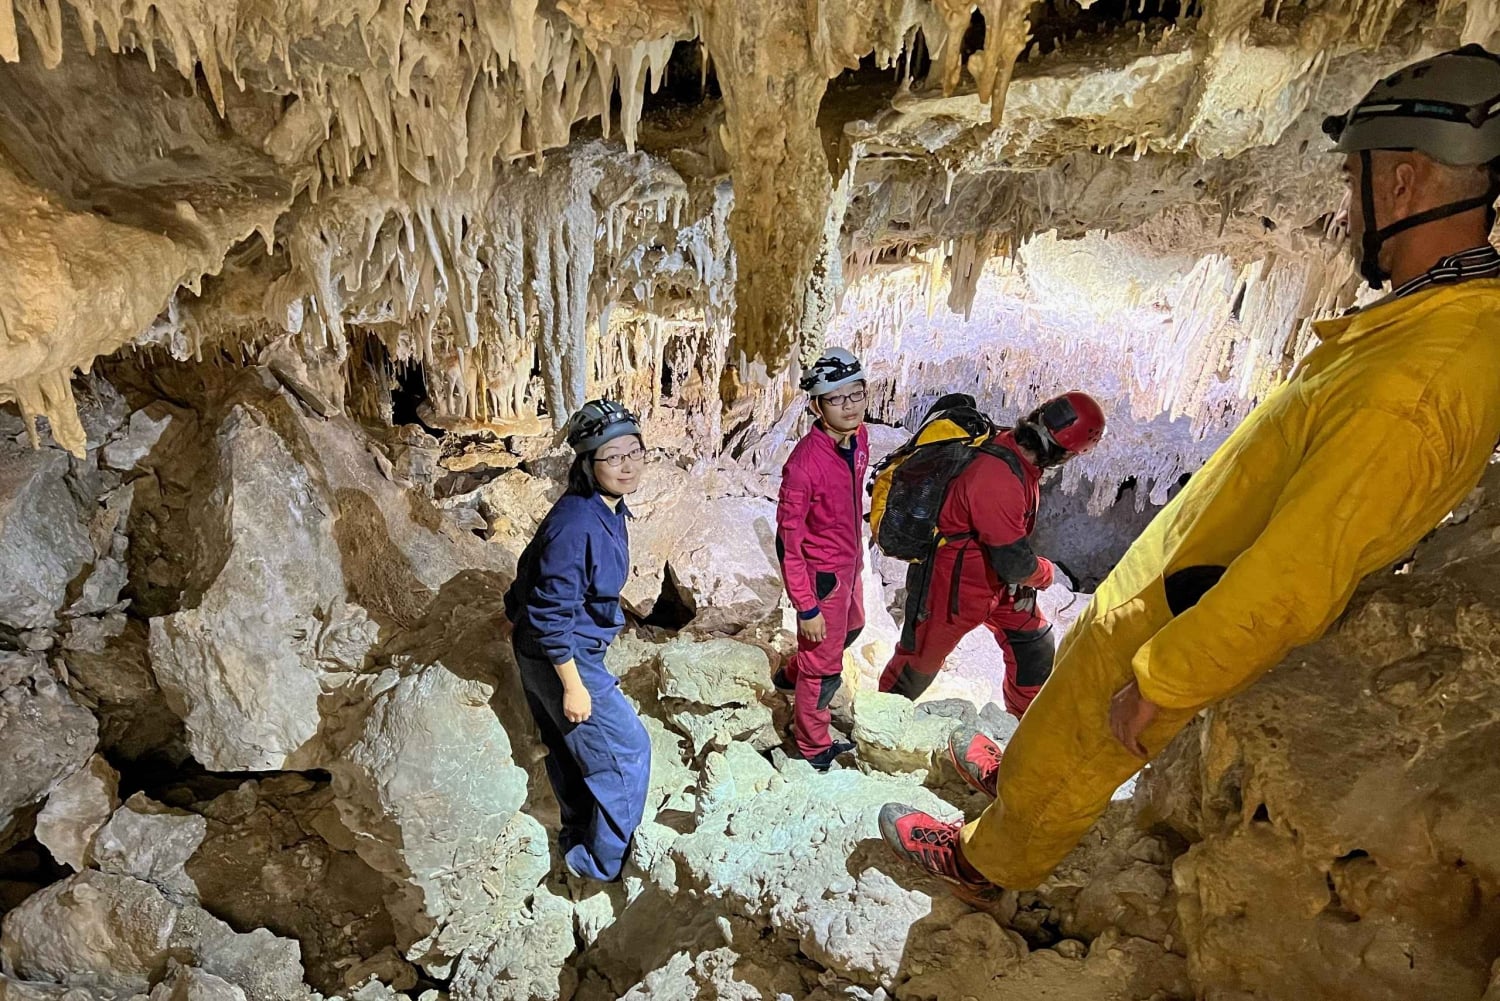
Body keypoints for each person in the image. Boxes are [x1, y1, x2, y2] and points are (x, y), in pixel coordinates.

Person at [878, 45, 1500, 898]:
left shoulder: (1421, 379)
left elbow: (1296, 574)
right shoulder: (1424, 328)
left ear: (1402, 184)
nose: (1345, 208)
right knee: (1063, 700)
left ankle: (991, 861)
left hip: (1190, 608)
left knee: (1090, 736)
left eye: (1352, 179)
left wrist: (1166, 680)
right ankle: (1014, 780)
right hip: (1174, 579)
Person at [879, 392, 1106, 718]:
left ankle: (1022, 727)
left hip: (994, 582)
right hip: (952, 586)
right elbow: (1014, 563)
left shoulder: (1017, 455)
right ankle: (878, 722)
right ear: (1064, 452)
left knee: (1034, 644)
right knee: (920, 661)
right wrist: (1044, 572)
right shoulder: (997, 478)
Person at [504, 399, 653, 881]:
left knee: (572, 750)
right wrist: (572, 684)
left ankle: (576, 840)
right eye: (612, 457)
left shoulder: (602, 509)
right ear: (588, 464)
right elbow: (550, 611)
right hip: (561, 654)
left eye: (634, 451)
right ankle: (600, 864)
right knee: (628, 752)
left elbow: (527, 577)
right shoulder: (577, 523)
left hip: (555, 648)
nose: (626, 464)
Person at [773, 347, 871, 770]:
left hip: (850, 564)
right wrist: (806, 605)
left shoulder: (860, 438)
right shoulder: (804, 465)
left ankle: (793, 673)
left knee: (854, 626)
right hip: (823, 576)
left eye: (856, 394)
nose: (849, 406)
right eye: (836, 398)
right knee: (825, 664)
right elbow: (787, 543)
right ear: (816, 404)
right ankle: (812, 744)